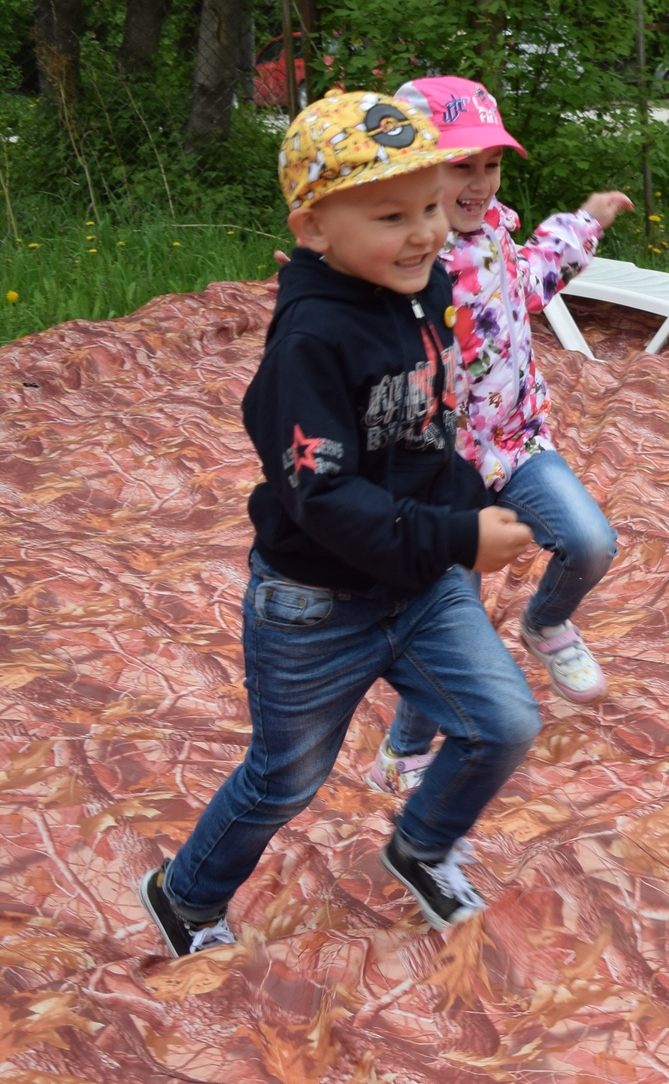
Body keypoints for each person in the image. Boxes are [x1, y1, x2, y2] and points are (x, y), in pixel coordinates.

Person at [137, 91, 543, 955]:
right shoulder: (311, 344)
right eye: (392, 217)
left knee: (503, 722)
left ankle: (421, 844)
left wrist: (472, 504)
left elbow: (425, 432)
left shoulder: (421, 291)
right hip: (315, 607)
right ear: (314, 228)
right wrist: (459, 538)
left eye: (429, 207)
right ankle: (186, 895)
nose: (424, 233)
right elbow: (323, 499)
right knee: (285, 779)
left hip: (421, 588)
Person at [367, 75, 630, 795]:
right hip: (441, 475)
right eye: (461, 165)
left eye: (490, 164)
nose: (480, 182)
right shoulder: (399, 259)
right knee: (453, 626)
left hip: (517, 443)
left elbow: (536, 278)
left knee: (590, 541)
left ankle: (545, 624)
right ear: (414, 170)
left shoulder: (495, 235)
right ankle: (402, 752)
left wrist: (585, 221)